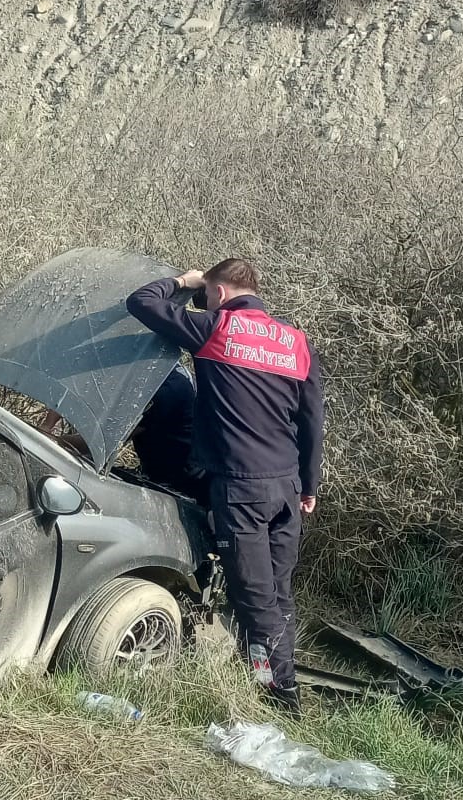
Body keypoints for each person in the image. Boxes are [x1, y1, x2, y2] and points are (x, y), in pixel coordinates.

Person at [126, 259, 324, 711]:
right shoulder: (295, 342)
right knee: (277, 591)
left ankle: (280, 694)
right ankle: (267, 676)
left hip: (241, 489)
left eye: (209, 293)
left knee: (254, 597)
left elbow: (141, 301)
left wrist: (185, 282)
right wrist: (309, 483)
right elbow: (313, 418)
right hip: (286, 488)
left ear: (218, 293)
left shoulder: (216, 329)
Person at [128, 361, 206, 503]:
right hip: (179, 470)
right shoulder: (169, 369)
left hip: (179, 485)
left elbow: (114, 438)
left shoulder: (164, 388)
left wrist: (72, 449)